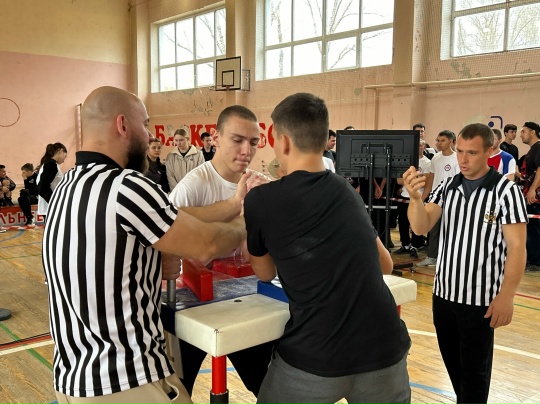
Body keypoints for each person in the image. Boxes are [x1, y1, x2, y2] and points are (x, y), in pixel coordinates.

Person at [42, 86, 247, 404]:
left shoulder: (68, 186)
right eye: (146, 124)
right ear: (123, 125)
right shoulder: (126, 186)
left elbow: (172, 216)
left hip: (74, 378)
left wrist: (233, 205)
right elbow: (206, 244)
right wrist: (250, 219)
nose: (151, 135)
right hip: (126, 379)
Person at [244, 93, 411, 404]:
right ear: (324, 140)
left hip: (316, 355)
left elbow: (264, 273)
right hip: (385, 348)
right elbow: (385, 264)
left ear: (283, 141)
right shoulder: (346, 191)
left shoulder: (260, 200)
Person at [403, 122, 527, 404]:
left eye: (472, 152)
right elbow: (421, 226)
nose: (463, 159)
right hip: (444, 296)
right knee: (457, 374)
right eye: (460, 151)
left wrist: (506, 297)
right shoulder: (447, 186)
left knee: (474, 378)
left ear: (490, 151)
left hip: (480, 302)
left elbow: (517, 248)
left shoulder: (506, 192)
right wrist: (415, 198)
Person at [168, 105, 274, 397]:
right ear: (215, 138)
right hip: (193, 302)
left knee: (263, 383)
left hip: (245, 299)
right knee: (179, 389)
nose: (246, 150)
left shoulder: (259, 184)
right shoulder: (192, 186)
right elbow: (172, 242)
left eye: (253, 142)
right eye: (237, 140)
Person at [416, 130, 460, 267]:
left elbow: (460, 181)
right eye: (438, 140)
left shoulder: (457, 158)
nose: (439, 143)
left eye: (442, 141)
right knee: (433, 229)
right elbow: (431, 180)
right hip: (436, 200)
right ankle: (431, 257)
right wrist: (424, 198)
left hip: (452, 199)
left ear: (451, 141)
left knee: (450, 230)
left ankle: (449, 258)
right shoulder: (435, 158)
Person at [394, 140, 433, 258]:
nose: (418, 147)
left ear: (424, 147)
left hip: (419, 197)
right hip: (404, 196)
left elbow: (424, 182)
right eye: (416, 145)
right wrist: (415, 178)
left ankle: (416, 246)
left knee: (416, 222)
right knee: (403, 222)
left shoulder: (427, 162)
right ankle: (405, 245)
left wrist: (409, 179)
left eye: (420, 145)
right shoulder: (406, 161)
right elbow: (399, 181)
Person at [519, 121, 540, 272]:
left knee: (535, 229)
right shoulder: (533, 150)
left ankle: (536, 262)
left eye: (523, 131)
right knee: (531, 228)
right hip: (530, 195)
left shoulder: (538, 147)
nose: (520, 135)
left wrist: (532, 189)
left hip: (535, 197)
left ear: (533, 132)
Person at [36, 142, 67, 221]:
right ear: (60, 151)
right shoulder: (51, 164)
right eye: (65, 156)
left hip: (48, 207)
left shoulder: (48, 163)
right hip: (50, 208)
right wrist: (54, 202)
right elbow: (42, 187)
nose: (64, 160)